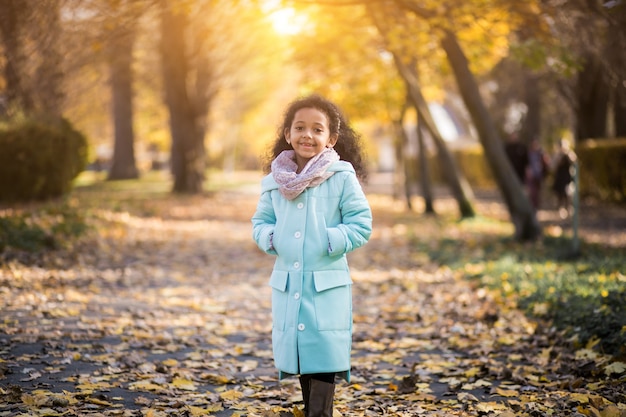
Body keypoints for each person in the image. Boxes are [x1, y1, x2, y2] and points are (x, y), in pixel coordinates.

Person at [251, 94, 372, 417]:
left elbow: (361, 224)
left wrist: (329, 240)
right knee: (302, 357)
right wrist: (272, 238)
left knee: (323, 359)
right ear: (287, 134)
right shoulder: (274, 182)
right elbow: (260, 223)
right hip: (289, 283)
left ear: (331, 139)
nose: (308, 135)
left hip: (325, 284)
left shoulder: (341, 176)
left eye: (317, 129)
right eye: (300, 127)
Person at [550, 138, 576, 218]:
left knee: (568, 194)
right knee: (560, 194)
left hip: (568, 178)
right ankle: (561, 209)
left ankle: (569, 208)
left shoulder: (569, 154)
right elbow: (552, 166)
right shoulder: (557, 155)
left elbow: (574, 162)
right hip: (559, 178)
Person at [526, 137, 550, 211]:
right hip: (532, 175)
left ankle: (537, 205)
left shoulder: (541, 153)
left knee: (538, 191)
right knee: (533, 192)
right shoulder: (529, 153)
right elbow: (526, 163)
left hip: (539, 175)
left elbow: (547, 163)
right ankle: (533, 206)